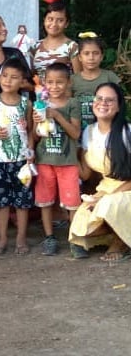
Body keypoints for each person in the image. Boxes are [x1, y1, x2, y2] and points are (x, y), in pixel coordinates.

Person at [68, 83, 131, 261]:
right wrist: (70, 152)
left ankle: (122, 243)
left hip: (126, 190)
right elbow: (86, 175)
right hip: (105, 189)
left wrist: (103, 198)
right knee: (81, 225)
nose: (103, 103)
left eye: (110, 100)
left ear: (119, 106)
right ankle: (118, 231)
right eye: (99, 98)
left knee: (108, 205)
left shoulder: (127, 133)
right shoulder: (89, 132)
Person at [0, 58, 34, 254]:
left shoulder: (26, 103)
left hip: (21, 161)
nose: (8, 80)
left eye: (14, 78)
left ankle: (21, 238)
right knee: (1, 203)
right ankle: (2, 238)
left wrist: (30, 153)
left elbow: (29, 130)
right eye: (4, 76)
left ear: (22, 82)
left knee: (22, 202)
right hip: (0, 161)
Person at [33, 62, 81, 256]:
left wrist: (56, 116)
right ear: (44, 83)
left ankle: (76, 238)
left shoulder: (72, 104)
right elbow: (35, 136)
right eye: (50, 82)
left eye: (59, 82)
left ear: (68, 82)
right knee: (45, 201)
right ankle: (49, 237)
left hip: (67, 162)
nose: (54, 87)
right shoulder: (40, 102)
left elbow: (75, 133)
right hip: (45, 160)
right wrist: (38, 122)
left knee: (72, 203)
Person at [71, 33, 120, 132]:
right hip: (78, 131)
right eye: (86, 53)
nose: (91, 57)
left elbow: (119, 103)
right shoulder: (72, 80)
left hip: (106, 131)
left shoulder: (110, 77)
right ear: (79, 57)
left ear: (101, 56)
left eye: (95, 53)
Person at [30, 0, 81, 81]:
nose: (54, 24)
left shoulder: (72, 47)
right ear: (44, 20)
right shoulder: (35, 47)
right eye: (50, 19)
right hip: (39, 93)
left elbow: (78, 78)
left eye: (60, 20)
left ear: (66, 24)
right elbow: (31, 76)